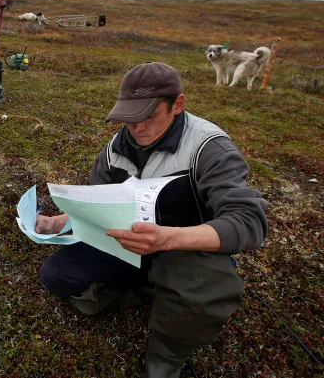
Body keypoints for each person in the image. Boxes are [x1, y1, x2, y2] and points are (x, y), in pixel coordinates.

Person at [36, 62, 268, 378]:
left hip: (187, 253)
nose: (137, 128)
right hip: (127, 245)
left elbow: (249, 221)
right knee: (56, 273)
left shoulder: (208, 147)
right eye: (130, 118)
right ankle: (146, 292)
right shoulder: (113, 151)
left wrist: (167, 239)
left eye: (149, 116)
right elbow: (95, 207)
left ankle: (165, 358)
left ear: (178, 105)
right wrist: (59, 222)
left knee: (205, 290)